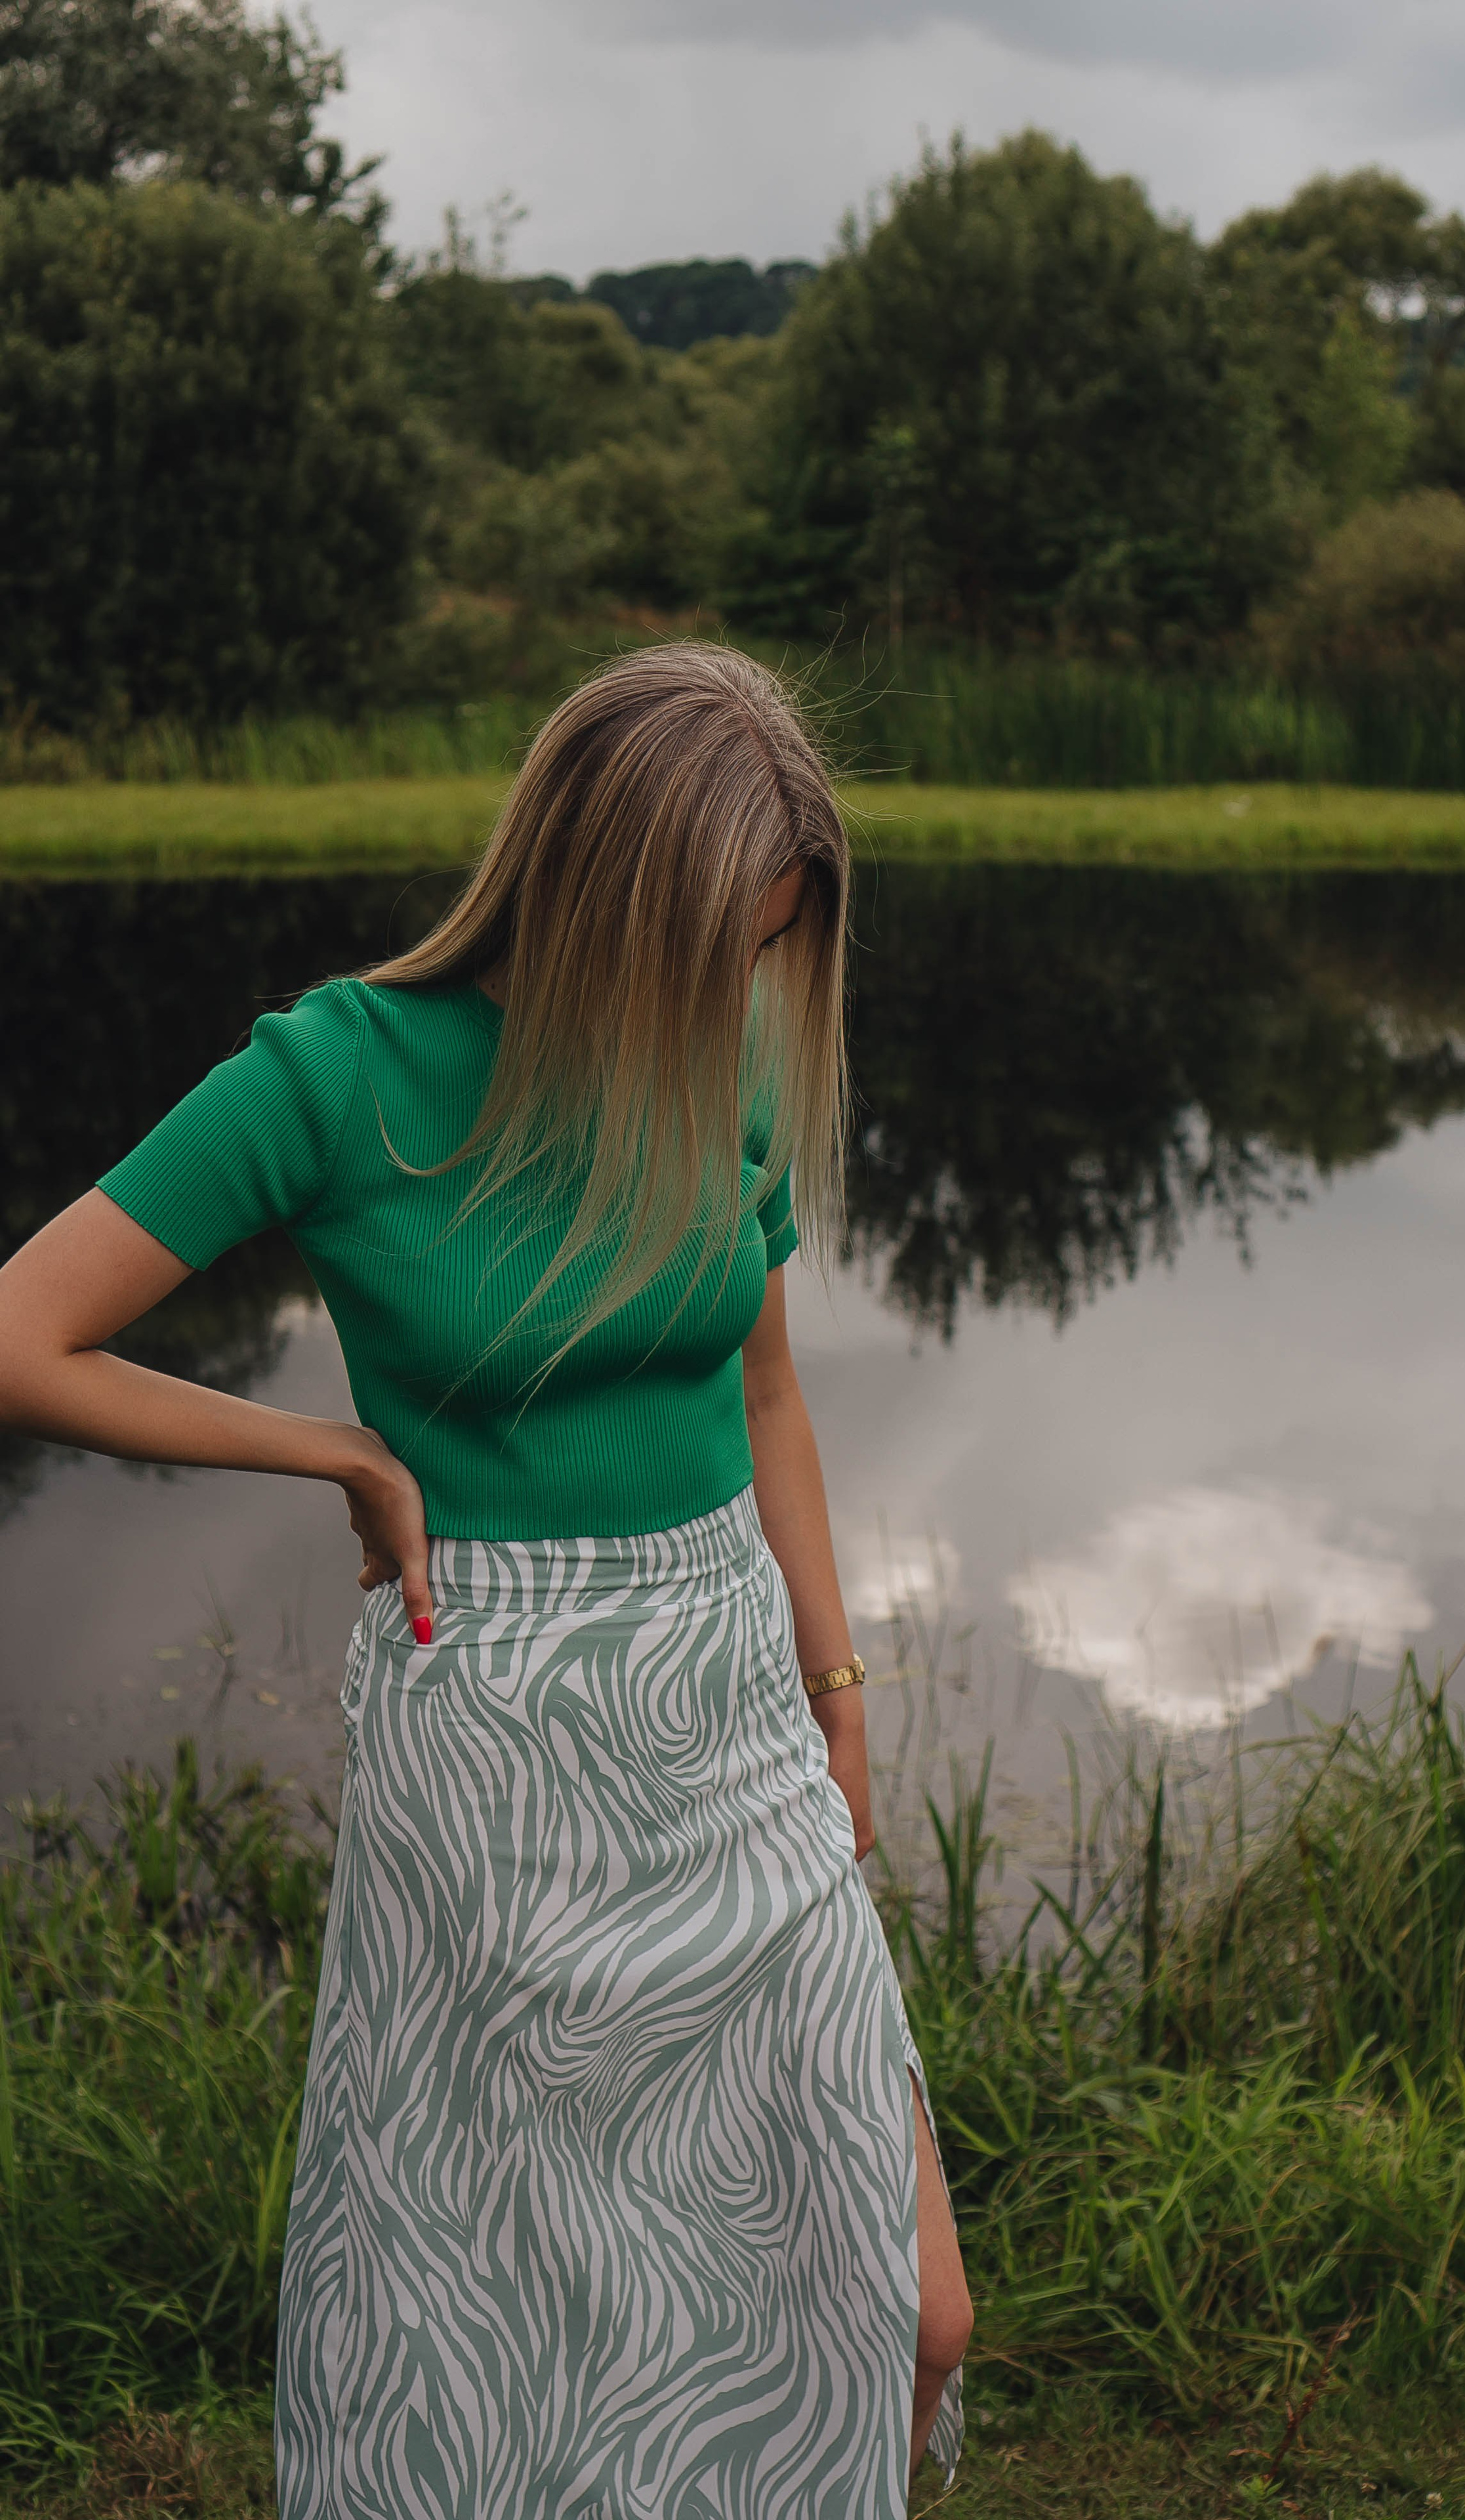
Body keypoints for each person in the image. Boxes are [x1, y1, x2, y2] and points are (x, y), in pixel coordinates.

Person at [0, 643, 970, 2518]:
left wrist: (839, 1702)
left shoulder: (724, 1067)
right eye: (725, 954)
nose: (749, 998)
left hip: (734, 1721)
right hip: (500, 1750)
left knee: (905, 2307)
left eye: (773, 954)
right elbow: (27, 1333)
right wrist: (338, 1454)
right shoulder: (339, 1073)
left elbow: (765, 1389)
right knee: (510, 2332)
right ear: (610, 909)